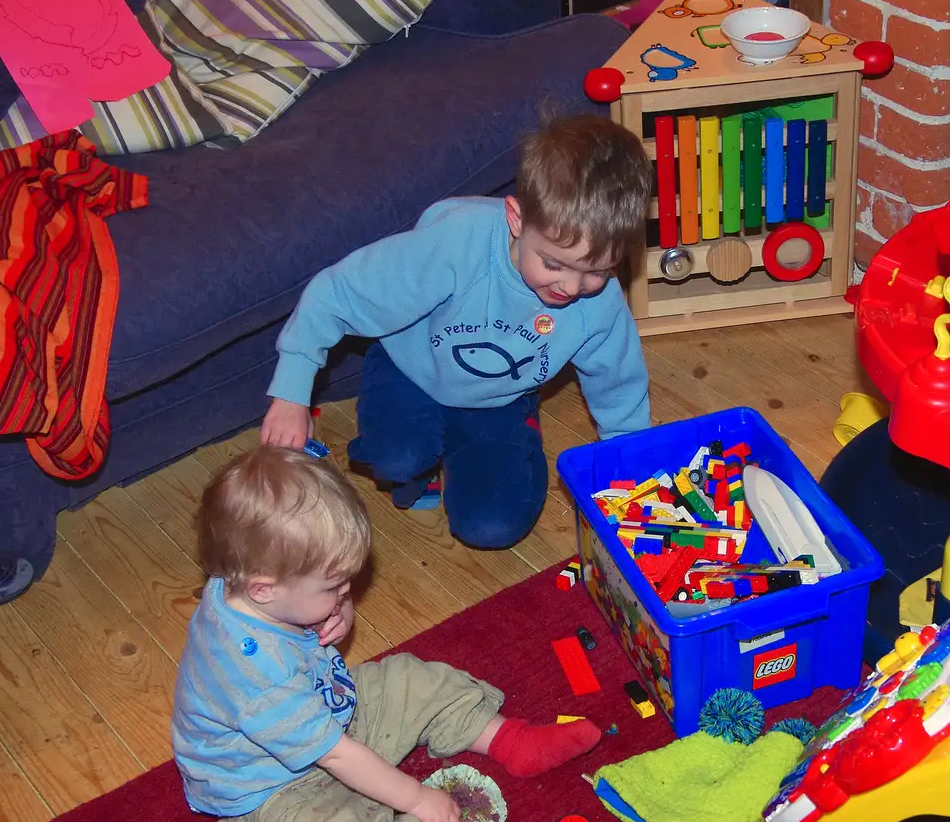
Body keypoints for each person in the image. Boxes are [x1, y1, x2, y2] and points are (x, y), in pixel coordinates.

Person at [172, 445, 602, 822]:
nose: (343, 596)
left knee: (410, 679)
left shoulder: (250, 583)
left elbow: (319, 646)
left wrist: (337, 610)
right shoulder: (252, 675)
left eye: (346, 586)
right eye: (332, 589)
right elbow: (334, 755)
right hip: (270, 786)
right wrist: (416, 799)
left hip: (326, 710)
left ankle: (509, 738)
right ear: (263, 589)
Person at [259, 114, 656, 549]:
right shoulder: (452, 245)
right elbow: (338, 293)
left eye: (596, 271)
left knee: (491, 528)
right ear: (516, 219)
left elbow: (618, 380)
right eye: (554, 264)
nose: (571, 287)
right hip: (411, 369)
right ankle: (421, 463)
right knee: (398, 458)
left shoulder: (598, 301)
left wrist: (629, 460)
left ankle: (515, 426)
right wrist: (292, 393)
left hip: (499, 396)